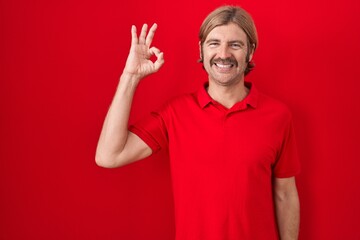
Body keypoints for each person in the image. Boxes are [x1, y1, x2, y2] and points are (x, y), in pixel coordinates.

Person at [96, 5, 300, 240]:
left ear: (250, 52)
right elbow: (108, 156)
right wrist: (130, 77)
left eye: (235, 44)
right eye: (214, 43)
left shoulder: (278, 115)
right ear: (201, 50)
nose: (223, 53)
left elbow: (285, 194)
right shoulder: (175, 113)